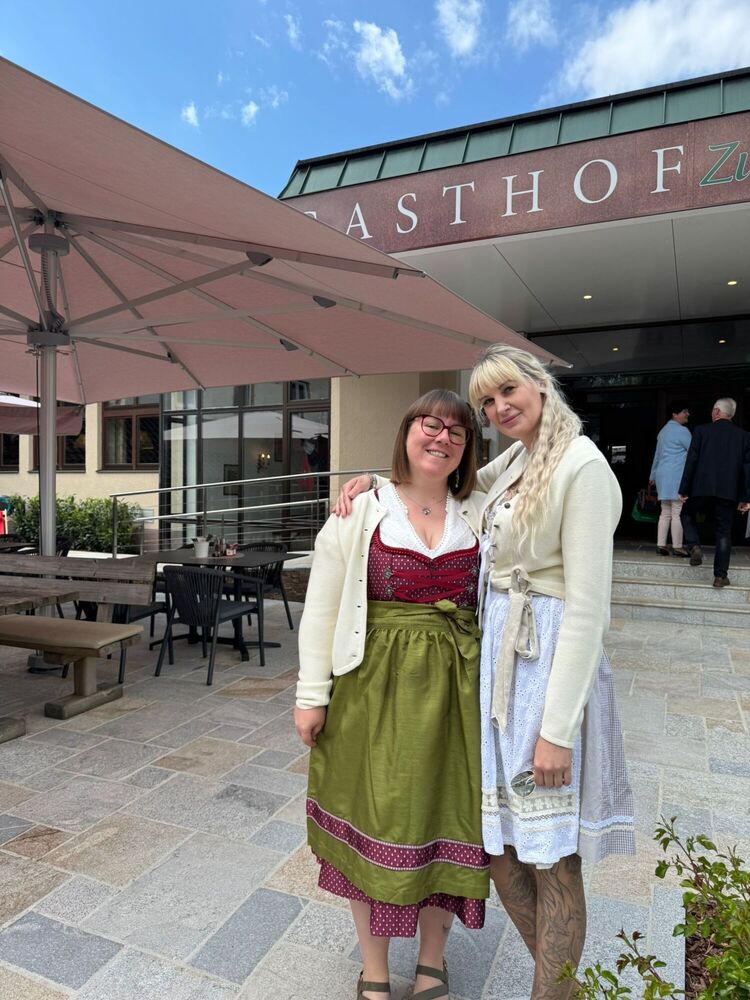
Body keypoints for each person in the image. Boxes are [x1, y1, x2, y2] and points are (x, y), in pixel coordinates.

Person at [336, 347, 635, 1000]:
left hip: (546, 666)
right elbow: (444, 476)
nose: (500, 408)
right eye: (488, 402)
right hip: (501, 673)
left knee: (551, 856)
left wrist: (557, 730)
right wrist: (373, 482)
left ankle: (552, 994)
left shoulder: (582, 466)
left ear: (541, 385)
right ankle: (563, 988)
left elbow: (589, 608)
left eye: (509, 392)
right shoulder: (521, 459)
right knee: (499, 849)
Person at [293, 389, 489, 1000]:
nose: (441, 438)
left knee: (450, 821)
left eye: (456, 432)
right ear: (406, 431)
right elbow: (322, 608)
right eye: (430, 425)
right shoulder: (361, 510)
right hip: (371, 692)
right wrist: (310, 694)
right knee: (371, 820)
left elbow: (532, 459)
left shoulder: (483, 510)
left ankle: (432, 961)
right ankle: (374, 969)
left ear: (468, 448)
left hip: (458, 697)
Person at [679, 397, 750, 588]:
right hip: (728, 492)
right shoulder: (744, 436)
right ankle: (720, 577)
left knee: (686, 513)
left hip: (701, 489)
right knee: (723, 532)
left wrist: (684, 489)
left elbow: (691, 461)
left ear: (717, 412)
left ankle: (694, 545)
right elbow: (747, 469)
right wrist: (745, 497)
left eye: (713, 410)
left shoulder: (701, 431)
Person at [648, 401, 692, 556]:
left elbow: (657, 455)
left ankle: (661, 545)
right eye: (684, 411)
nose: (687, 414)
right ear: (674, 414)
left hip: (662, 475)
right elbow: (693, 452)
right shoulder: (683, 431)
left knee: (665, 511)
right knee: (677, 511)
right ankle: (678, 546)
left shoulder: (663, 432)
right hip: (676, 475)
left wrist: (652, 475)